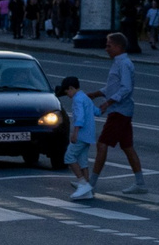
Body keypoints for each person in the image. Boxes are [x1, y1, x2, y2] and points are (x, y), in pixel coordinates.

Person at [89, 32, 148, 195]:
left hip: (119, 111)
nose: (106, 49)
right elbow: (114, 86)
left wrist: (108, 102)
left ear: (118, 47)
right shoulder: (119, 63)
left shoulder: (124, 64)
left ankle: (91, 184)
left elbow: (126, 88)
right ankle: (140, 183)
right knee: (127, 147)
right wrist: (96, 94)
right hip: (122, 110)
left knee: (102, 144)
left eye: (109, 46)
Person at [59, 75, 99, 199]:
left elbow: (80, 117)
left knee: (69, 157)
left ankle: (82, 183)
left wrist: (75, 132)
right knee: (82, 160)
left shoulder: (77, 99)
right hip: (89, 135)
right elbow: (96, 111)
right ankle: (87, 189)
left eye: (67, 92)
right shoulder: (86, 97)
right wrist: (107, 105)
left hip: (81, 134)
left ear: (71, 88)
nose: (67, 95)